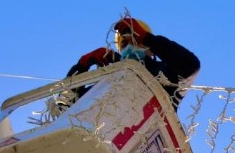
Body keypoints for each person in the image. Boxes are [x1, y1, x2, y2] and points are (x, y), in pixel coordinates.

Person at [66, 15, 201, 110]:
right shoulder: (105, 85)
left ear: (150, 49)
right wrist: (82, 67)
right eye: (125, 43)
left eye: (136, 40)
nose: (130, 46)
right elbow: (65, 106)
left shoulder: (165, 73)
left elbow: (190, 64)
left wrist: (148, 39)